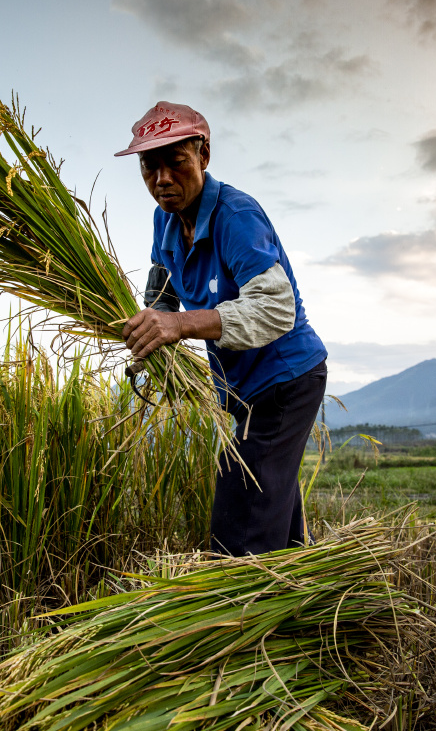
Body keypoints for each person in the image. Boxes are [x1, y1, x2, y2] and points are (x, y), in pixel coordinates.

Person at [116, 101, 328, 556]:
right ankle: (301, 607)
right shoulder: (166, 217)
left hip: (286, 381)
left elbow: (275, 308)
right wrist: (146, 325)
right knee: (273, 515)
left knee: (241, 519)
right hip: (243, 390)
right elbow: (163, 280)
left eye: (176, 163)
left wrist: (178, 324)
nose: (162, 180)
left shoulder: (235, 216)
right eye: (149, 167)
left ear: (204, 155)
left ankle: (238, 613)